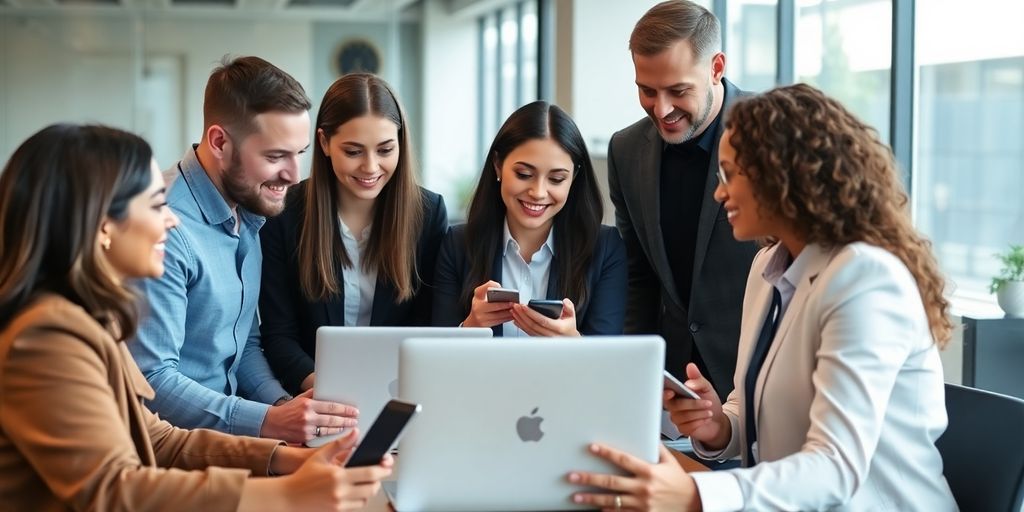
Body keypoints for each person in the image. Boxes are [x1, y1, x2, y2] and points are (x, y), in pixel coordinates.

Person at [569, 84, 958, 511]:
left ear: (784, 174)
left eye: (732, 175)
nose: (720, 192)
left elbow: (836, 467)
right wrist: (719, 425)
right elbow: (754, 409)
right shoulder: (769, 268)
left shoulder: (865, 280)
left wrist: (695, 494)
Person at [0, 124, 392, 511]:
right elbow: (110, 489)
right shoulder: (45, 338)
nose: (171, 220)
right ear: (104, 224)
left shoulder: (89, 320)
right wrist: (288, 495)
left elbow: (159, 440)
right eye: (156, 205)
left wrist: (289, 459)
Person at [130, 56, 356, 445]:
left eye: (298, 154)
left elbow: (243, 346)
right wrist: (268, 421)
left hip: (232, 442)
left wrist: (286, 408)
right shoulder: (164, 226)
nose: (293, 175)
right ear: (219, 142)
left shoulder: (248, 211)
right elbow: (152, 381)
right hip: (172, 452)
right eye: (274, 156)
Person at [259, 73, 449, 395]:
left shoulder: (428, 214)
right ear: (324, 143)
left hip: (402, 395)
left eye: (385, 150)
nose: (371, 167)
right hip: (312, 396)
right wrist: (334, 392)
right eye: (354, 151)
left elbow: (430, 328)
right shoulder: (285, 213)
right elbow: (279, 335)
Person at [608, 0, 758, 396]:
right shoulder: (625, 150)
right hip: (670, 387)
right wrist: (631, 378)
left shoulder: (771, 134)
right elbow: (638, 276)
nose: (662, 109)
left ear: (716, 68)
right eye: (647, 90)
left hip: (756, 380)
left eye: (678, 90)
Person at [433, 100, 626, 337]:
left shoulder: (605, 249)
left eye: (556, 179)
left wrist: (575, 345)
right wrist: (470, 327)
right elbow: (436, 358)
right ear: (497, 165)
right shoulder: (457, 245)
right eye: (524, 174)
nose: (538, 192)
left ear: (574, 177)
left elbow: (611, 363)